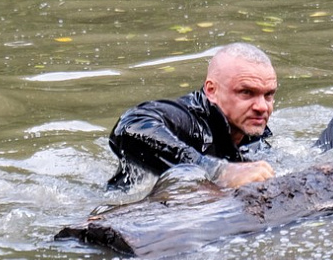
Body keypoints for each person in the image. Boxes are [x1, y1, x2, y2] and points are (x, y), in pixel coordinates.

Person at [107, 43, 278, 191]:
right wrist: (218, 171)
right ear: (211, 90)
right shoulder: (188, 120)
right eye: (246, 92)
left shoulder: (253, 137)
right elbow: (130, 126)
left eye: (268, 95)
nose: (262, 107)